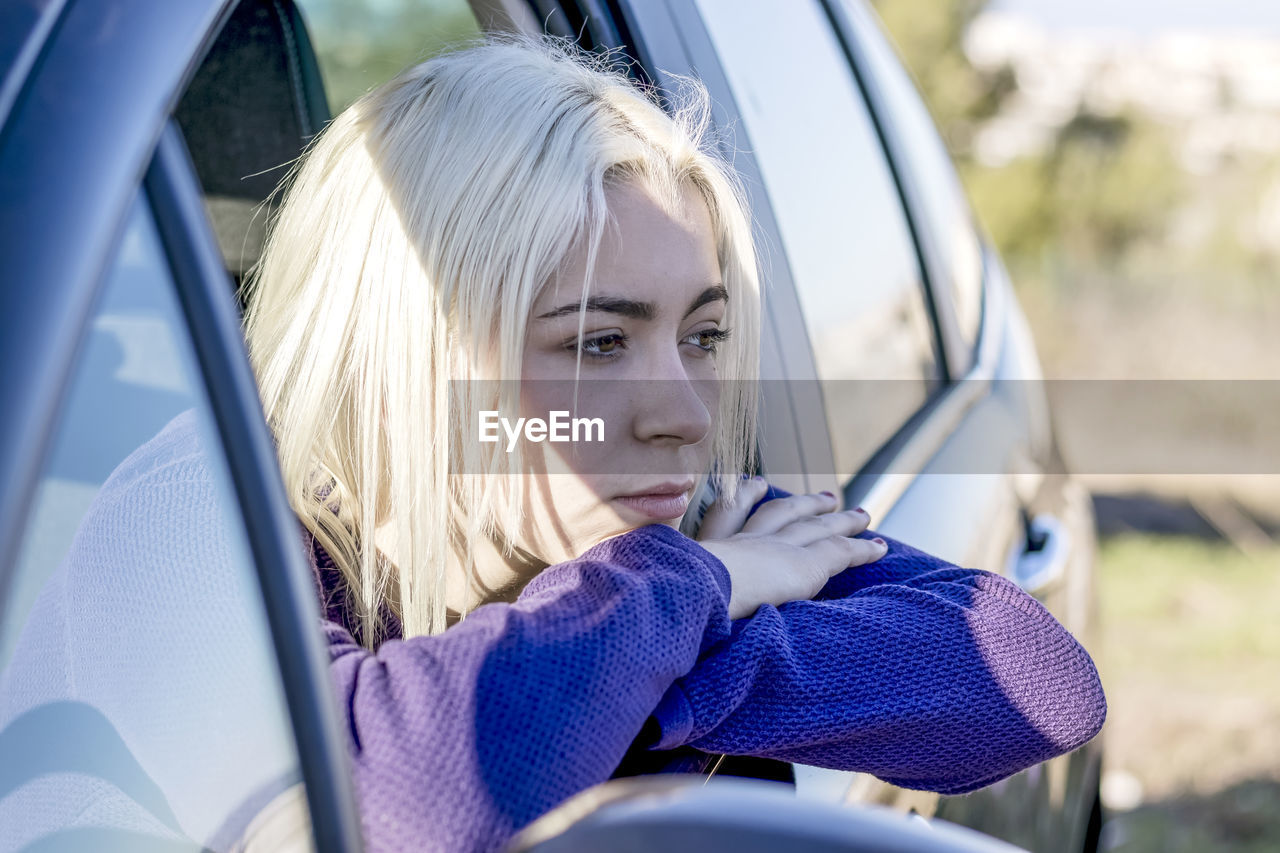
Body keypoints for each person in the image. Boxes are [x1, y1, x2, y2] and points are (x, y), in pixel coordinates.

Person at [243, 36, 1106, 852]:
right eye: (598, 343)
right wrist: (695, 594)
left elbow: (1038, 680)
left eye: (704, 336)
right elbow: (397, 801)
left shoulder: (704, 525)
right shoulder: (233, 550)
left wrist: (629, 671)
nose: (687, 416)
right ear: (403, 361)